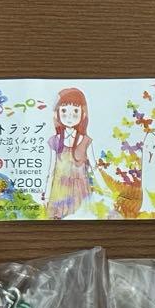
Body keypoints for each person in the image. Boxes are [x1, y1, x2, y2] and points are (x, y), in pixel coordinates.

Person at [42, 87, 97, 219]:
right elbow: (51, 171)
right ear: (57, 113)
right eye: (64, 110)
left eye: (76, 111)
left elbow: (95, 168)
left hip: (80, 191)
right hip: (59, 191)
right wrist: (47, 195)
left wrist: (106, 190)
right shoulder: (55, 141)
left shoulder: (86, 141)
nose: (70, 116)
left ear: (83, 114)